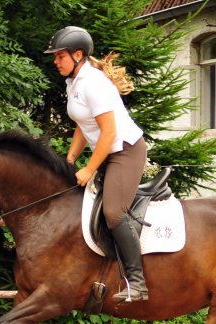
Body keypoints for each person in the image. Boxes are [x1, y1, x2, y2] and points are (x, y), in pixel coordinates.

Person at [45, 26, 148, 303]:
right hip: (108, 151)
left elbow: (109, 132)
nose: (55, 61)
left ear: (78, 55)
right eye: (55, 57)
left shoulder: (93, 83)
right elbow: (84, 124)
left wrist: (89, 169)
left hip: (125, 151)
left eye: (60, 56)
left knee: (114, 213)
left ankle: (137, 282)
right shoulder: (74, 81)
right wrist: (69, 161)